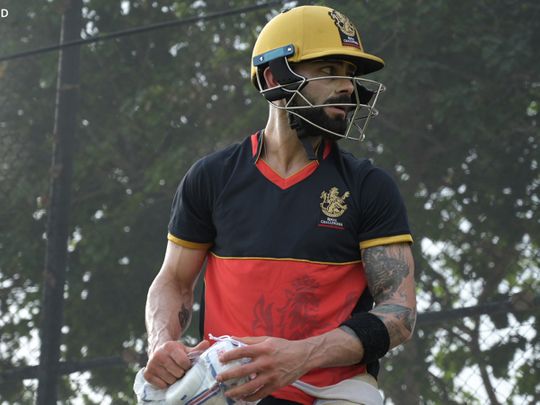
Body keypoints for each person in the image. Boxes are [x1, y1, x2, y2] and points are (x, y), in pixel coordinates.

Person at [143, 5, 416, 405]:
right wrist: (162, 343)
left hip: (335, 388)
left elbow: (400, 313)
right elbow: (174, 280)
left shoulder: (370, 187)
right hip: (227, 382)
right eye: (328, 70)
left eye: (350, 74)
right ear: (275, 77)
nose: (347, 87)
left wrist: (299, 356)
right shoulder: (210, 177)